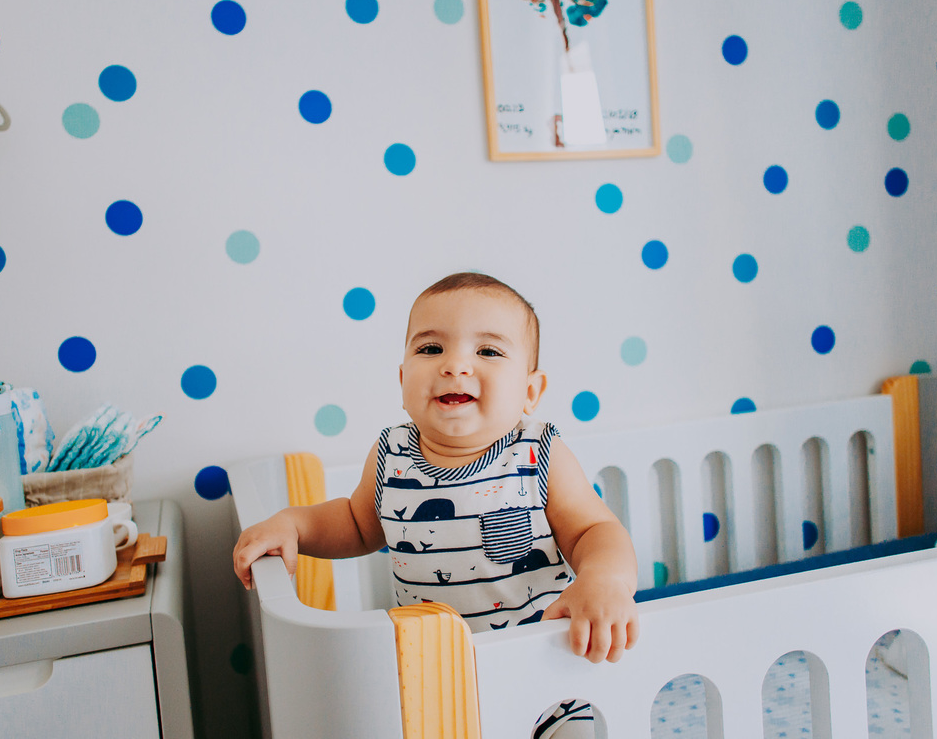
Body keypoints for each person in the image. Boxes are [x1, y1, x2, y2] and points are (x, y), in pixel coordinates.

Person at [234, 272, 638, 735]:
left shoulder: (538, 453)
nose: (455, 365)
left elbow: (594, 531)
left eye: (487, 351)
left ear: (530, 391)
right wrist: (294, 525)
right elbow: (354, 522)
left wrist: (603, 580)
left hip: (544, 678)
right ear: (404, 379)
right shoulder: (392, 455)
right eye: (431, 349)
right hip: (436, 681)